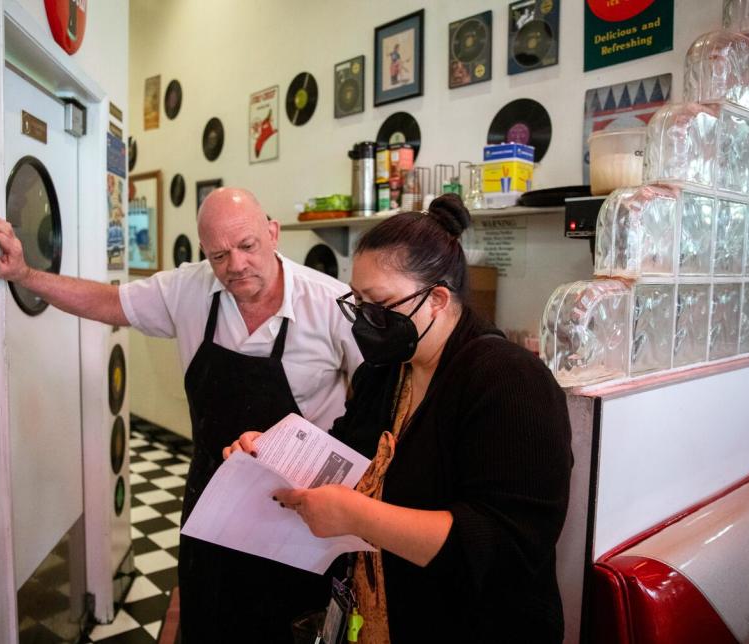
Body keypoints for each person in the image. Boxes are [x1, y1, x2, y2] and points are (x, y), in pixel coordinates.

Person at [0, 187, 362, 643]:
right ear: (204, 252)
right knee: (210, 622)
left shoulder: (333, 304)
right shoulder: (190, 288)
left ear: (273, 233)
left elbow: (378, 397)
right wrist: (26, 275)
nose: (235, 266)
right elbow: (107, 301)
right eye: (219, 255)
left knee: (292, 625)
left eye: (247, 246)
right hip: (213, 497)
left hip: (302, 511)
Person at [225, 194, 573, 642]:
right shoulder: (386, 372)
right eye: (359, 302)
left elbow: (503, 544)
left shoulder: (508, 381)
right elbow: (343, 452)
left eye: (382, 305)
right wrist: (272, 455)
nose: (366, 321)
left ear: (437, 299)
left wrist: (357, 515)